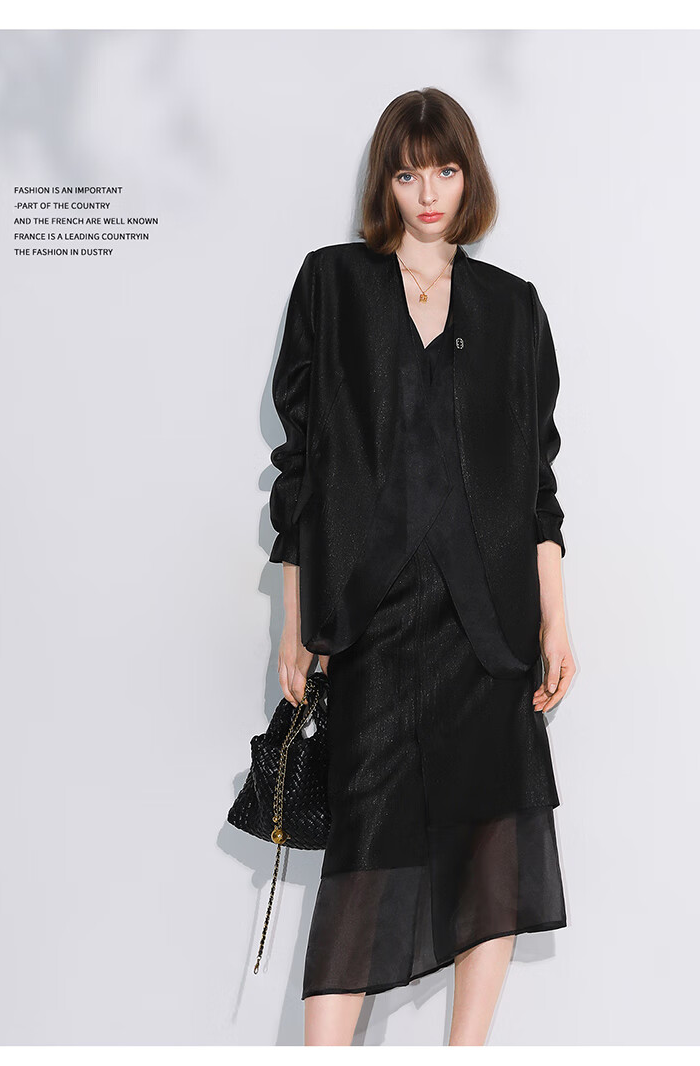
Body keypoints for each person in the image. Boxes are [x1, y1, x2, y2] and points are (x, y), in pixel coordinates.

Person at [267, 87, 575, 1047]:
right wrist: (295, 619)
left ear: (468, 176)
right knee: (364, 849)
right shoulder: (332, 285)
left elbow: (536, 485)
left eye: (444, 170)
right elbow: (300, 468)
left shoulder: (513, 308)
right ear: (386, 184)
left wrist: (557, 619)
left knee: (494, 834)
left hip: (487, 628)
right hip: (374, 616)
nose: (429, 193)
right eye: (408, 175)